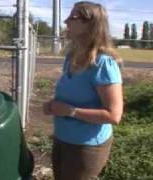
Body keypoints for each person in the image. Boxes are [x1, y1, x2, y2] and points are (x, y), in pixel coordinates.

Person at [44, 1, 123, 180]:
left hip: (86, 147)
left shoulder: (103, 64)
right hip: (62, 138)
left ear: (91, 25)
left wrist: (70, 111)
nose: (65, 21)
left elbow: (114, 115)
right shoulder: (71, 58)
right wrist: (52, 106)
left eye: (73, 17)